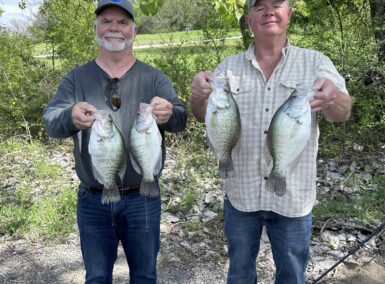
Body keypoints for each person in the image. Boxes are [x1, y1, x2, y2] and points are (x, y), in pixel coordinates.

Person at [191, 0, 352, 283]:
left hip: (293, 198)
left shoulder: (315, 63)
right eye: (259, 6)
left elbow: (342, 113)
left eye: (277, 4)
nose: (269, 11)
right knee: (239, 273)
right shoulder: (228, 68)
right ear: (248, 20)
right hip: (241, 194)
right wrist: (198, 94)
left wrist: (334, 98)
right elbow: (202, 114)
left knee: (291, 275)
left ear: (288, 14)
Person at [43, 0, 187, 283]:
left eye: (122, 22)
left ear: (133, 30)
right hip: (93, 199)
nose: (114, 28)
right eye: (107, 21)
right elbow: (51, 122)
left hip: (142, 197)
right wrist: (69, 117)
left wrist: (170, 114)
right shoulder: (76, 78)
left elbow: (181, 119)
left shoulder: (153, 77)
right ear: (96, 28)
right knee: (96, 277)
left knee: (145, 276)